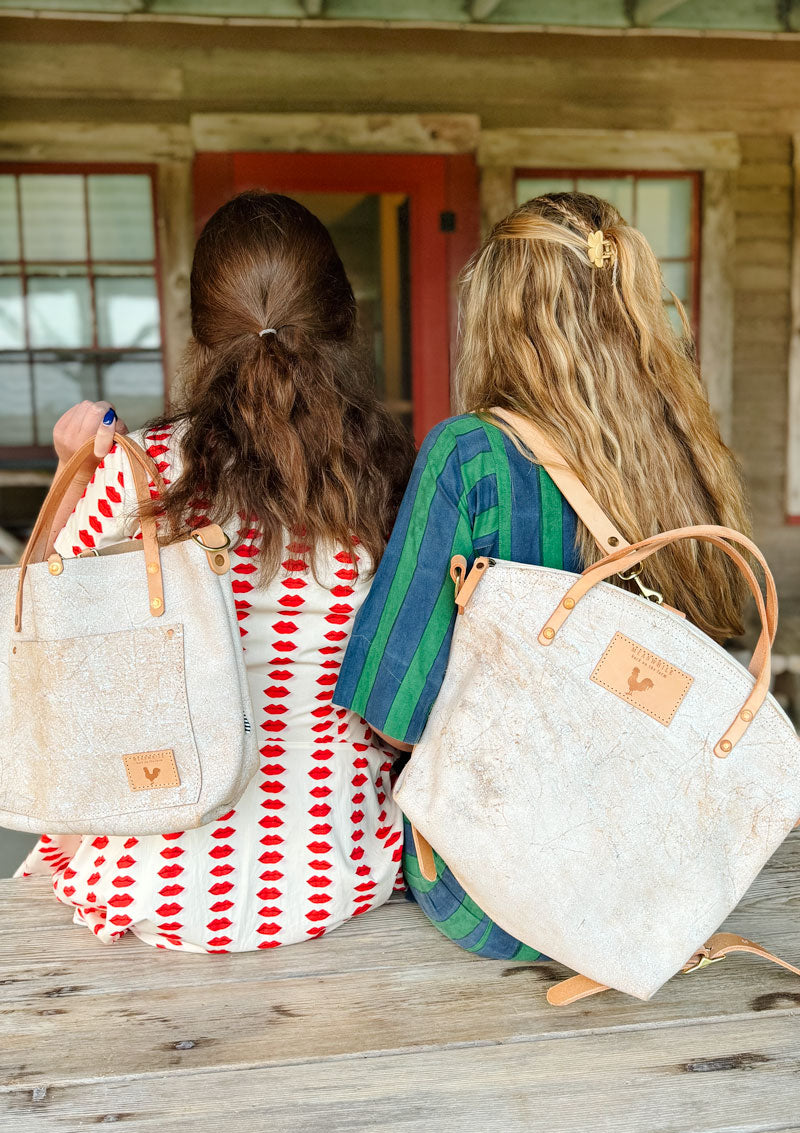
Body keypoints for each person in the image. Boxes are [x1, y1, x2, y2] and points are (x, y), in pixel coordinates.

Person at [334, 192, 751, 961]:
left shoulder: (470, 456)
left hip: (500, 901)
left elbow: (395, 716)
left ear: (495, 316)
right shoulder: (686, 454)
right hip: (654, 883)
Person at [18, 191, 415, 953]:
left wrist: (75, 471)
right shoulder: (386, 476)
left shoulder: (145, 469)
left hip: (151, 881)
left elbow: (47, 638)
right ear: (345, 320)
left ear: (198, 331)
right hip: (331, 871)